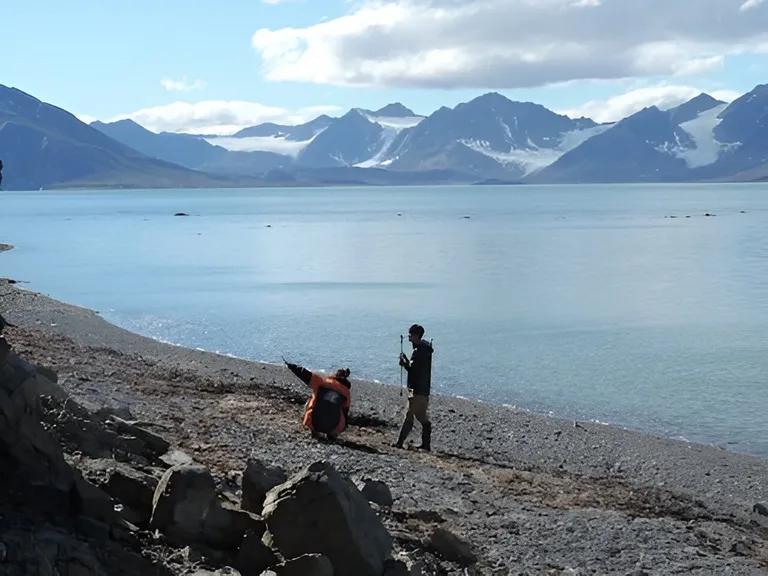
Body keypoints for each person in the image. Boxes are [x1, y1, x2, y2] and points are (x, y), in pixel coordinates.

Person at [285, 361, 352, 441]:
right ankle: (332, 434)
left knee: (311, 399)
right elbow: (345, 412)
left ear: (335, 375)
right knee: (339, 408)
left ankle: (312, 429)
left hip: (314, 422)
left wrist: (290, 365)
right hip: (333, 427)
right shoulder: (346, 393)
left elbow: (304, 374)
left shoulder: (322, 382)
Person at [394, 323, 433, 451]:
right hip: (421, 390)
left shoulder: (419, 351)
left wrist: (404, 363)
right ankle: (425, 444)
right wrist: (406, 360)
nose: (409, 338)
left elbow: (413, 370)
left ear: (416, 336)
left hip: (416, 390)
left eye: (410, 336)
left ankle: (400, 443)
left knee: (410, 414)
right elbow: (415, 367)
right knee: (419, 415)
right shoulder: (424, 349)